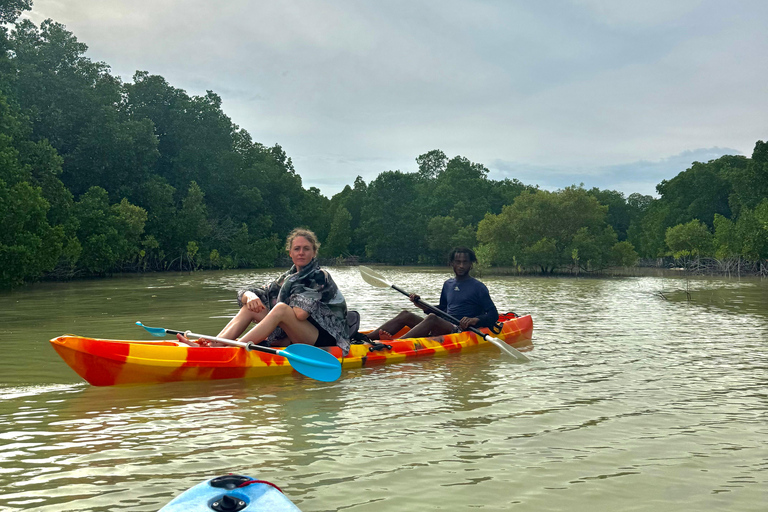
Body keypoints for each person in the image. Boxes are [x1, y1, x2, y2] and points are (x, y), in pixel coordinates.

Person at [178, 228, 350, 355]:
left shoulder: (320, 276)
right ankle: (216, 344)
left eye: (306, 249)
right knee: (251, 307)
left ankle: (232, 349)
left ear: (314, 253)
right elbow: (250, 292)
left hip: (325, 338)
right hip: (299, 334)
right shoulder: (288, 278)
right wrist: (250, 296)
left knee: (280, 309)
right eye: (297, 249)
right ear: (290, 253)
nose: (301, 253)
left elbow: (300, 314)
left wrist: (275, 317)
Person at [368, 247, 498, 340]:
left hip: (459, 329)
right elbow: (442, 309)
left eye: (465, 262)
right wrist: (421, 305)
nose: (461, 266)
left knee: (431, 318)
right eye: (458, 262)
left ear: (471, 264)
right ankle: (365, 338)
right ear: (452, 263)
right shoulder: (448, 284)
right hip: (443, 324)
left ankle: (397, 343)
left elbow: (493, 315)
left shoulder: (478, 287)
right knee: (405, 315)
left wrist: (474, 320)